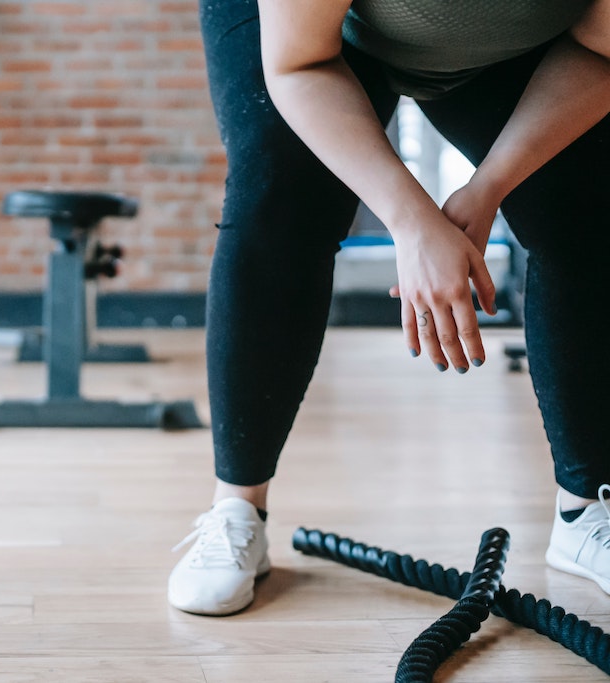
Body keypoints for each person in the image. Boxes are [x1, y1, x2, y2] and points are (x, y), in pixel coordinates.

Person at [168, 0, 610, 616]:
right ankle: (236, 506)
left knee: (588, 204)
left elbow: (600, 51)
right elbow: (300, 64)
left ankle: (588, 508)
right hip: (312, 44)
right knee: (279, 189)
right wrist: (410, 220)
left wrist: (487, 190)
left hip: (501, 50)